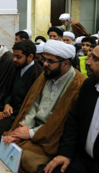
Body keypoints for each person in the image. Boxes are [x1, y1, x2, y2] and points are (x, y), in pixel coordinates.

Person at [2, 40, 86, 172]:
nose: (45, 64)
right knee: (7, 140)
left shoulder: (79, 84)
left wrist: (30, 133)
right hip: (34, 128)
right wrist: (23, 129)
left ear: (65, 63)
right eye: (45, 59)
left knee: (25, 156)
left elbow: (61, 121)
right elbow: (33, 104)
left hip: (52, 136)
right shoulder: (46, 74)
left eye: (50, 61)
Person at [44, 44, 99, 173]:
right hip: (83, 160)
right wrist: (66, 153)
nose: (88, 62)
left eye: (95, 58)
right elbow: (73, 121)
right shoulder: (89, 85)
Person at [0, 40, 43, 150]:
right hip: (9, 109)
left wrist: (9, 114)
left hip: (21, 114)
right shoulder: (16, 67)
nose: (14, 59)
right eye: (14, 56)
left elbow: (31, 103)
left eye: (18, 57)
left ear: (30, 56)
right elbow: (8, 90)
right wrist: (7, 104)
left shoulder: (37, 74)